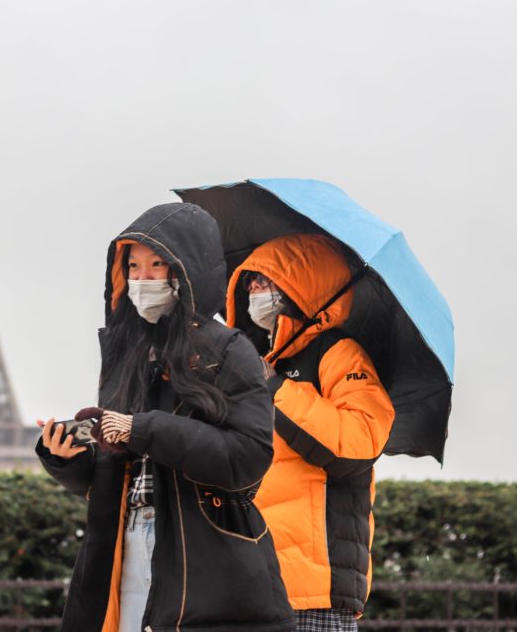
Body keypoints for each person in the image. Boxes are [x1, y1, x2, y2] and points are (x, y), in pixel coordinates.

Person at [37, 202, 296, 632]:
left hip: (201, 551)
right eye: (133, 266)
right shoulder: (125, 352)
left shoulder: (229, 350)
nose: (142, 279)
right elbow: (116, 468)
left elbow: (249, 457)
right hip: (125, 542)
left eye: (157, 265)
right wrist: (66, 458)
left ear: (187, 270)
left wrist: (143, 429)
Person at [224, 233, 396, 632]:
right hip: (247, 585)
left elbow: (358, 444)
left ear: (302, 289)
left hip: (313, 595)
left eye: (265, 280)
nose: (253, 289)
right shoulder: (257, 365)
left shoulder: (338, 353)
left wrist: (276, 390)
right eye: (249, 281)